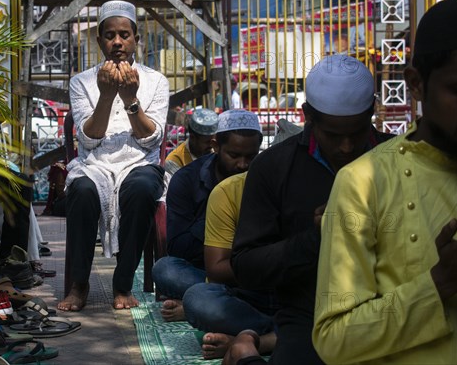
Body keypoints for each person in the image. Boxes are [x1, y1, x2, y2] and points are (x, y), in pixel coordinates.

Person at [312, 0, 457, 365]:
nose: (345, 145)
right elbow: (334, 339)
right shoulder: (363, 182)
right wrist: (437, 286)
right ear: (416, 84)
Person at [229, 54, 394, 364]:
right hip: (309, 317)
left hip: (394, 309)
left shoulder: (399, 159)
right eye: (333, 135)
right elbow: (246, 266)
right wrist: (315, 238)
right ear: (307, 115)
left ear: (372, 112)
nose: (346, 147)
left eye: (356, 133)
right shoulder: (272, 168)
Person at [57, 0, 169, 311]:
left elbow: (151, 138)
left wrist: (131, 97)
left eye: (124, 34)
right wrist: (106, 96)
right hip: (95, 165)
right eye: (109, 35)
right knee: (80, 190)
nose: (117, 42)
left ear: (136, 38)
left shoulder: (157, 81)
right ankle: (79, 284)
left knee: (144, 188)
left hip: (139, 163)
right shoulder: (81, 82)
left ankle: (123, 282)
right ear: (99, 41)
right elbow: (88, 142)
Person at [152, 109, 263, 322]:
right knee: (166, 270)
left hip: (248, 269)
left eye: (251, 156)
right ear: (216, 146)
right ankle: (224, 298)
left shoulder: (262, 175)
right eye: (234, 155)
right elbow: (178, 247)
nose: (242, 164)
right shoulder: (186, 180)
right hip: (204, 268)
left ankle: (206, 302)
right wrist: (217, 209)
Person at [183, 171, 278, 360]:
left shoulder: (311, 190)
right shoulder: (228, 190)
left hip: (296, 296)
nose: (242, 164)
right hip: (247, 291)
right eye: (235, 155)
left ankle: (254, 340)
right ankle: (276, 333)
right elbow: (215, 267)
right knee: (196, 296)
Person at [164, 108, 218, 175]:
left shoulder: (218, 151)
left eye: (214, 141)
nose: (212, 145)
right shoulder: (174, 161)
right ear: (193, 138)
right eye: (207, 142)